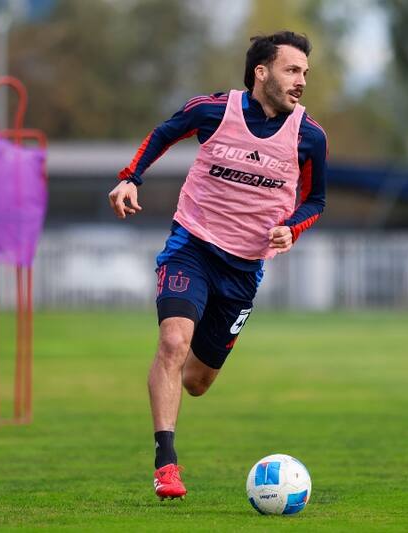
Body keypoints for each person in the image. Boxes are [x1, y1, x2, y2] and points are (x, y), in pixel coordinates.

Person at [108, 31, 328, 500]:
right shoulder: (213, 110)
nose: (301, 81)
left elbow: (316, 200)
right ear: (261, 72)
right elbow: (163, 133)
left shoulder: (309, 136)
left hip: (243, 270)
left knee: (196, 381)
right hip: (192, 246)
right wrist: (131, 178)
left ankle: (179, 377)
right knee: (173, 343)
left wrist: (292, 228)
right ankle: (166, 464)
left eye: (305, 73)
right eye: (292, 70)